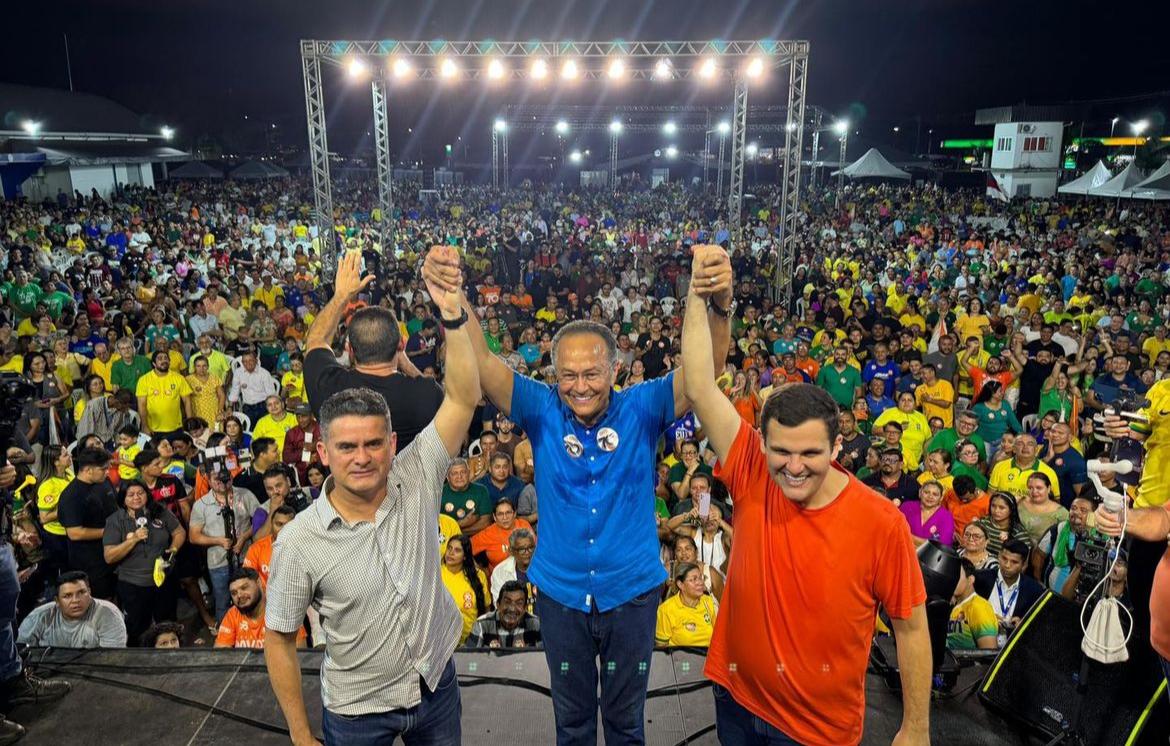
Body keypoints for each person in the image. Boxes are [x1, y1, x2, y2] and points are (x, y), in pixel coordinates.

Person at [425, 242, 734, 746]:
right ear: (553, 373)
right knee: (570, 726)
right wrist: (454, 299)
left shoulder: (644, 405)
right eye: (567, 374)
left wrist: (719, 303)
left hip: (630, 596)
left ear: (614, 369)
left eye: (592, 373)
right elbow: (481, 362)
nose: (580, 385)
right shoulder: (540, 406)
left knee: (626, 726)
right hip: (562, 598)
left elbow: (710, 367)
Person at [679, 258, 930, 745]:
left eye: (810, 453)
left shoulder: (880, 521)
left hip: (814, 731)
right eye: (782, 452)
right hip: (736, 697)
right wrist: (697, 293)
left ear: (838, 448)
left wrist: (916, 727)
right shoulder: (752, 466)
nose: (793, 467)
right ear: (763, 444)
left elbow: (912, 629)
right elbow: (699, 386)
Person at [266, 247, 479, 746]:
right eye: (346, 446)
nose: (360, 457)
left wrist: (452, 308)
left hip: (435, 687)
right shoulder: (299, 540)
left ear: (392, 445)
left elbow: (467, 394)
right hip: (359, 710)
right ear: (324, 450)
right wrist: (300, 733)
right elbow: (278, 637)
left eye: (371, 444)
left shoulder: (419, 472)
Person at [303, 258, 440, 452]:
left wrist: (341, 296)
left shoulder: (330, 386)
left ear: (351, 351)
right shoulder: (425, 394)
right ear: (401, 345)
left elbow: (316, 340)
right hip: (410, 483)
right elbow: (432, 391)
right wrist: (406, 363)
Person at [102, 480, 185, 646]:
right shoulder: (115, 520)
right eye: (130, 494)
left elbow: (179, 532)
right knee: (137, 627)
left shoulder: (159, 511)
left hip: (163, 580)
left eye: (140, 493)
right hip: (133, 585)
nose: (136, 498)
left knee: (168, 623)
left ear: (147, 494)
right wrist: (133, 540)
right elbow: (109, 556)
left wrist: (173, 550)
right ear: (123, 498)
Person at [189, 467, 260, 623]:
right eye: (216, 478)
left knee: (252, 597)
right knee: (222, 601)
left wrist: (244, 537)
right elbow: (194, 537)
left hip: (246, 557)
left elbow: (260, 520)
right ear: (207, 479)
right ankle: (226, 637)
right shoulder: (201, 504)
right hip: (218, 562)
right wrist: (218, 541)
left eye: (225, 477)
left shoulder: (245, 494)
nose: (221, 482)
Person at [57, 447, 119, 600]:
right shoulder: (71, 496)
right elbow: (75, 533)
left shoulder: (104, 482)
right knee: (101, 602)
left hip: (114, 553)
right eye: (104, 469)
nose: (107, 472)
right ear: (89, 470)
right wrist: (109, 531)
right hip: (91, 562)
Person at [17, 571, 127, 648]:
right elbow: (22, 651)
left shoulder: (108, 614)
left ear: (89, 592)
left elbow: (112, 658)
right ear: (57, 600)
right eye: (67, 596)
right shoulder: (39, 616)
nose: (76, 600)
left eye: (81, 592)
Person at [974, 540, 1045, 645]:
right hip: (980, 644)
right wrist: (987, 618)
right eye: (1004, 559)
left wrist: (1024, 625)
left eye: (1014, 562)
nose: (1007, 565)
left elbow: (1039, 627)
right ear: (998, 556)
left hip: (1013, 648)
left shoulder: (1034, 590)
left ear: (1024, 564)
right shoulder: (979, 579)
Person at [216, 567, 304, 649]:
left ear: (258, 583)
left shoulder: (284, 612)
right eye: (234, 593)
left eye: (244, 588)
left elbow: (300, 656)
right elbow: (220, 657)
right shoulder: (232, 614)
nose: (239, 595)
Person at [1032, 495, 1097, 594]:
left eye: (1083, 510)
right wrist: (1038, 583)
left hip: (1081, 599)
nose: (1076, 512)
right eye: (1073, 508)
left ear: (1093, 515)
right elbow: (1039, 555)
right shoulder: (1057, 530)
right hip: (1051, 594)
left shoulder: (1098, 538)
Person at [655, 561, 718, 648]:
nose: (700, 583)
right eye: (694, 579)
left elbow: (717, 638)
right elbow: (661, 649)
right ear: (681, 584)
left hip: (707, 658)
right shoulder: (666, 610)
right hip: (681, 660)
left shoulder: (708, 601)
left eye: (700, 578)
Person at [440, 534, 490, 645]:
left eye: (457, 550)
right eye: (449, 548)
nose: (451, 553)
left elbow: (486, 609)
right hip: (442, 642)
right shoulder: (436, 574)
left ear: (465, 556)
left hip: (472, 640)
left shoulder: (478, 576)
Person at [466, 581, 542, 649]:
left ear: (525, 608)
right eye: (507, 602)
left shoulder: (536, 625)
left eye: (519, 603)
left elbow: (544, 661)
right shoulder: (482, 625)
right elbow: (469, 660)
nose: (512, 609)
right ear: (498, 605)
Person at [135, 350, 192, 439]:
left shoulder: (179, 378)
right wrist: (145, 426)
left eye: (166, 358)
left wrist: (190, 421)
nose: (163, 360)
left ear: (169, 362)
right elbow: (142, 405)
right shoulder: (144, 380)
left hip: (176, 427)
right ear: (154, 363)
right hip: (153, 429)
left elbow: (187, 401)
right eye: (160, 359)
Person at [470, 497, 532, 576]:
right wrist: (480, 571)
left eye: (508, 513)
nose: (505, 518)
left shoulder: (524, 525)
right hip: (500, 578)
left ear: (515, 513)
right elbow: (465, 548)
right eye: (500, 514)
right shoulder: (488, 533)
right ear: (494, 517)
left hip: (527, 574)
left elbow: (536, 550)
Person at [947, 559, 999, 651]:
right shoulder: (951, 605)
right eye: (950, 574)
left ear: (970, 579)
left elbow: (989, 653)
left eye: (957, 576)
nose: (952, 579)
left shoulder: (979, 607)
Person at [243, 504, 296, 587]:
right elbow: (248, 581)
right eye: (279, 524)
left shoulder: (304, 548)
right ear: (271, 525)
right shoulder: (256, 549)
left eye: (288, 525)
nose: (283, 529)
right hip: (265, 598)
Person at [1016, 472, 1069, 546]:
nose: (1034, 492)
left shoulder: (1061, 513)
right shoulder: (1020, 503)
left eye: (1039, 488)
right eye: (1030, 488)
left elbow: (1065, 539)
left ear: (1048, 488)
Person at [489, 528, 536, 607]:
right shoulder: (500, 572)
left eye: (531, 548)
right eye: (522, 549)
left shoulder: (544, 567)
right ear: (511, 551)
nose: (527, 552)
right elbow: (500, 606)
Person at [899, 481, 955, 546]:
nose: (930, 496)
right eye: (926, 492)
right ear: (920, 493)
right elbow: (895, 530)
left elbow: (941, 546)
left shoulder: (946, 517)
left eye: (935, 494)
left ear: (941, 498)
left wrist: (908, 537)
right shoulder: (907, 507)